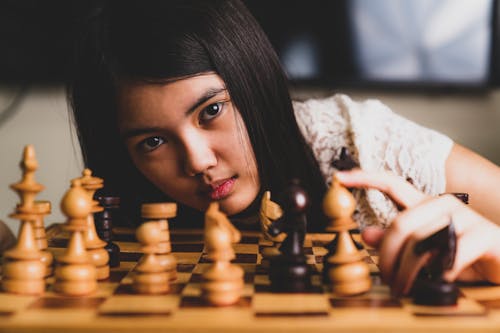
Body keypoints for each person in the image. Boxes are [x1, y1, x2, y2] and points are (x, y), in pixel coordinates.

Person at [64, 0, 500, 294]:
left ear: (254, 83)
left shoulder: (363, 145)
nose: (198, 161)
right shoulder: (110, 223)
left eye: (212, 110)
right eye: (153, 141)